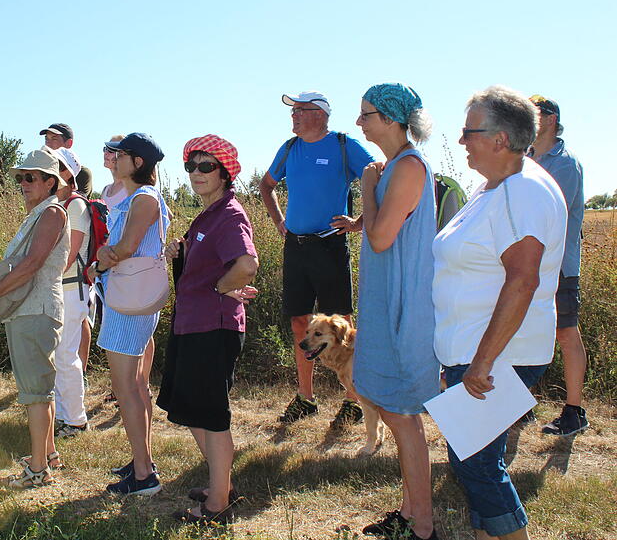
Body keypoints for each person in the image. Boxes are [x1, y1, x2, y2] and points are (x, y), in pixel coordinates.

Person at [433, 86, 566, 540]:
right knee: (475, 460)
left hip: (495, 355)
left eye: (469, 131)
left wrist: (483, 361)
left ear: (501, 139)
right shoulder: (494, 187)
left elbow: (523, 279)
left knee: (478, 466)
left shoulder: (522, 191)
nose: (460, 140)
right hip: (475, 350)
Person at [342, 84, 439, 540]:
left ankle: (421, 523)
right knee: (395, 409)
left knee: (402, 416)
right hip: (387, 300)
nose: (359, 122)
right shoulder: (396, 168)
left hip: (403, 304)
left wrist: (366, 187)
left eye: (367, 115)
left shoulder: (409, 167)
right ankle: (410, 512)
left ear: (393, 119)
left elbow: (381, 239)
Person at [158, 134, 259, 524]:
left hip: (212, 327)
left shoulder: (231, 214)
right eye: (191, 166)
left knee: (210, 414)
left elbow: (246, 265)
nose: (196, 173)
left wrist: (221, 287)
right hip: (193, 324)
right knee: (191, 409)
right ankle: (222, 484)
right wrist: (180, 252)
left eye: (206, 166)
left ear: (225, 172)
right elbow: (207, 259)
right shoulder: (207, 215)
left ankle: (218, 504)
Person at [259, 90, 374, 424]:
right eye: (292, 110)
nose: (293, 115)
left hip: (329, 245)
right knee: (299, 322)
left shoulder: (342, 144)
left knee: (342, 323)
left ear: (320, 114)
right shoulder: (290, 148)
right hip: (295, 247)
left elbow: (378, 177)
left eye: (299, 110)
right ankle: (306, 398)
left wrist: (359, 222)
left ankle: (354, 398)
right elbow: (266, 186)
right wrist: (280, 222)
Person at [0, 149, 70, 488]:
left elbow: (32, 264)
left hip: (36, 311)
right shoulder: (40, 213)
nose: (24, 183)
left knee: (34, 393)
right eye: (21, 178)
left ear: (50, 182)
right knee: (40, 389)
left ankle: (38, 470)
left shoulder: (52, 213)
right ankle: (49, 455)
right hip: (31, 310)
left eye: (31, 177)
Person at [88, 132, 169, 496]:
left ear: (137, 162)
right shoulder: (141, 197)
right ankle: (142, 461)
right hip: (128, 298)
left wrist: (102, 258)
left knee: (127, 387)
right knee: (135, 386)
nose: (113, 159)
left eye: (120, 155)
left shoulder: (143, 199)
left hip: (127, 304)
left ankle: (144, 475)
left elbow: (125, 247)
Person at [528, 94, 589, 436]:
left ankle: (575, 411)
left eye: (533, 114)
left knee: (565, 333)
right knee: (520, 333)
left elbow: (547, 215)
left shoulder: (565, 164)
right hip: (527, 266)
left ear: (550, 119)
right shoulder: (525, 158)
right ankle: (520, 407)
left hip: (558, 267)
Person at [46, 147, 92, 438]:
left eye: (55, 167)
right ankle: (62, 415)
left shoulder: (75, 206)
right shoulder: (57, 204)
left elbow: (68, 255)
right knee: (59, 354)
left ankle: (75, 419)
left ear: (67, 174)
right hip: (60, 288)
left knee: (66, 355)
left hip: (72, 289)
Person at [40, 123, 94, 200]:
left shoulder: (81, 173)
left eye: (54, 139)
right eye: (46, 139)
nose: (48, 143)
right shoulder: (42, 171)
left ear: (69, 143)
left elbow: (70, 203)